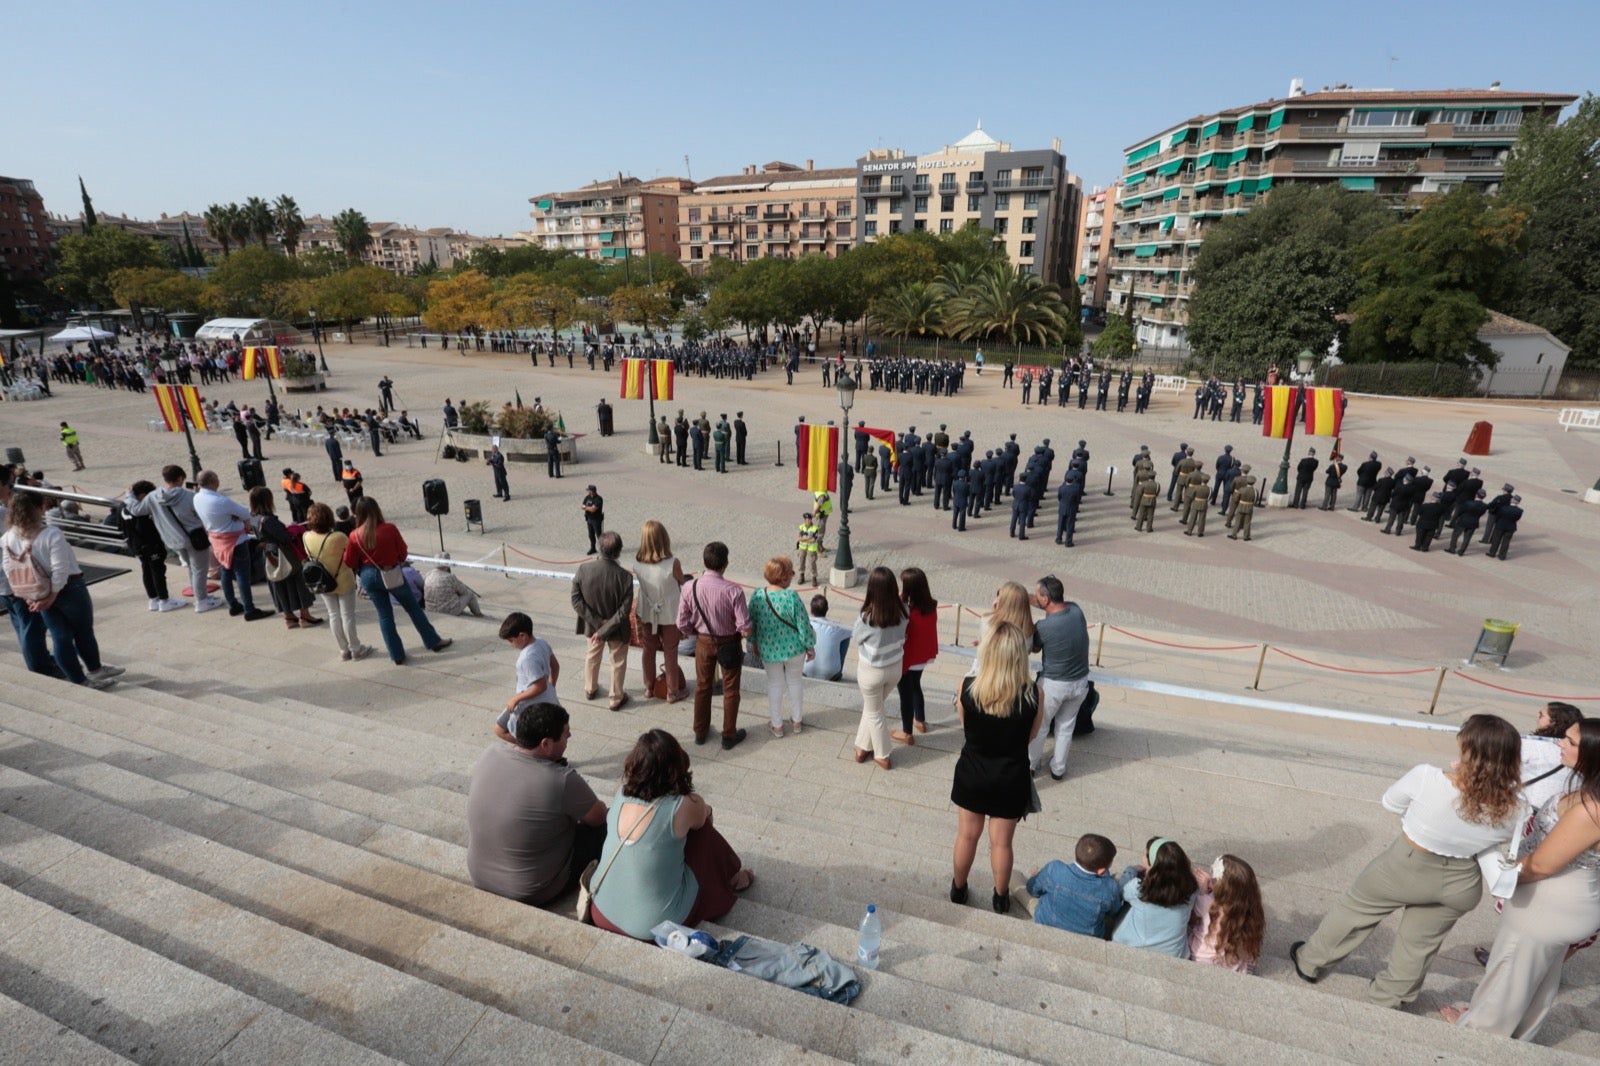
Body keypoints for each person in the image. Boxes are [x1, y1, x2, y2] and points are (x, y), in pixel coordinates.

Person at [1290, 714, 1523, 1007]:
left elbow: (1390, 803)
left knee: (1355, 911)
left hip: (1406, 864)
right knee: (1419, 945)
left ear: (1468, 750)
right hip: (1462, 880)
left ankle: (1310, 962)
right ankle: (1390, 995)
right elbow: (1493, 836)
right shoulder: (1516, 808)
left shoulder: (1427, 777)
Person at [1447, 718, 1600, 1040]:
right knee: (1537, 978)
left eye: (1571, 742)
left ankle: (1479, 1034)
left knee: (1510, 971)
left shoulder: (1591, 810)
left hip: (1548, 903)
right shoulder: (1588, 793)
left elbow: (1541, 865)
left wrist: (1499, 871)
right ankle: (1517, 1033)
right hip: (1564, 900)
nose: (1560, 744)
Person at [588, 729, 753, 939]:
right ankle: (734, 878)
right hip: (652, 926)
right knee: (703, 833)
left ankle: (733, 876)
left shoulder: (621, 791)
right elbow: (704, 819)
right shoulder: (682, 805)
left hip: (600, 910)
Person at [466, 702, 607, 906]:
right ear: (546, 744)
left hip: (479, 875)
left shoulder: (491, 752)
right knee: (607, 828)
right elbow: (599, 817)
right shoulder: (561, 779)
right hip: (533, 890)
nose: (570, 736)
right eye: (565, 734)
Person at [950, 622, 1043, 913]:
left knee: (967, 835)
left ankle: (958, 889)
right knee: (1002, 843)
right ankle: (1001, 898)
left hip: (972, 772)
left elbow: (966, 726)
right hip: (1011, 776)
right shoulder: (1034, 694)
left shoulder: (967, 686)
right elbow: (1032, 736)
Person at [2, 490, 124, 689]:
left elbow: (9, 569)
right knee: (82, 631)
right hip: (68, 589)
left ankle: (79, 680)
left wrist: (28, 596)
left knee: (60, 635)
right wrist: (53, 594)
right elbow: (60, 569)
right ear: (40, 508)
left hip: (38, 592)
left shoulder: (7, 537)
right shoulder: (51, 534)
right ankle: (94, 669)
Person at [342, 497, 452, 665]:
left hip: (369, 576)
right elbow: (403, 552)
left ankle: (397, 654)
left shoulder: (354, 535)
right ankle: (433, 641)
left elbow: (349, 561)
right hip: (391, 572)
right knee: (413, 608)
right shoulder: (389, 529)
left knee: (384, 615)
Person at [676, 541, 751, 750]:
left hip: (703, 642)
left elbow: (681, 622)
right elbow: (745, 627)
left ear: (704, 563)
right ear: (725, 564)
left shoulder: (690, 587)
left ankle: (700, 732)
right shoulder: (734, 591)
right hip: (729, 643)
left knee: (702, 686)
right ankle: (728, 735)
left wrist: (696, 632)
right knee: (731, 690)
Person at [126, 464, 222, 614]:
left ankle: (200, 596)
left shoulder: (152, 497)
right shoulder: (189, 496)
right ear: (180, 478)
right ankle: (201, 601)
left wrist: (129, 495)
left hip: (173, 540)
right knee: (199, 569)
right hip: (194, 538)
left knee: (192, 568)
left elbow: (136, 510)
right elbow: (203, 514)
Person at [1029, 576, 1093, 781]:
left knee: (1040, 726)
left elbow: (1034, 648)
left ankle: (1031, 765)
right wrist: (1028, 598)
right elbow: (1050, 606)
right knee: (1065, 727)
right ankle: (1058, 768)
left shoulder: (1043, 627)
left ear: (1045, 599)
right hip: (1080, 684)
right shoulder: (1076, 610)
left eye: (1037, 595)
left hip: (1053, 685)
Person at [192, 469, 274, 622]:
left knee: (226, 571)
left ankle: (233, 604)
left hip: (217, 540)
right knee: (242, 575)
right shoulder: (220, 500)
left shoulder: (197, 497)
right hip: (235, 541)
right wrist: (238, 517)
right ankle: (249, 609)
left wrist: (234, 516)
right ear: (213, 482)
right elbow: (246, 513)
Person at [747, 556, 815, 737]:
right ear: (784, 577)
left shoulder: (758, 596)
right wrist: (810, 646)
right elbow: (803, 624)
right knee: (795, 681)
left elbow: (752, 623)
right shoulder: (792, 596)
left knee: (775, 683)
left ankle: (777, 725)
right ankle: (797, 721)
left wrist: (754, 642)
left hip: (769, 648)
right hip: (794, 649)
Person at [851, 566, 908, 770]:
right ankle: (862, 748)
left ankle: (882, 755)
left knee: (875, 712)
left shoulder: (867, 617)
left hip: (871, 671)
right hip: (895, 668)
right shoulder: (904, 611)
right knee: (872, 707)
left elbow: (856, 638)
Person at [571, 530, 633, 711]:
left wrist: (598, 624)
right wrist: (606, 626)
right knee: (618, 662)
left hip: (592, 626)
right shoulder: (625, 577)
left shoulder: (584, 569)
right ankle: (615, 698)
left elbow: (576, 600)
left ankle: (590, 688)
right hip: (617, 628)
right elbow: (624, 611)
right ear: (619, 551)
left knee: (592, 655)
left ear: (599, 548)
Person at [301, 502, 369, 661]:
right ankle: (355, 648)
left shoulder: (306, 536)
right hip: (343, 579)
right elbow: (351, 557)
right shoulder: (338, 537)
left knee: (333, 615)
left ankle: (343, 649)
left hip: (322, 580)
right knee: (347, 616)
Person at [1114, 838, 1201, 958]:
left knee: (1126, 905)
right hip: (1175, 953)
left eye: (1145, 855)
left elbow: (1120, 889)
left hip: (1135, 945)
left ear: (1152, 865)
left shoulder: (1139, 889)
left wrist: (1131, 871)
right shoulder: (1191, 889)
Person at [249, 487, 321, 629]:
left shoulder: (254, 518)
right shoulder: (269, 520)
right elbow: (286, 538)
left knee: (279, 586)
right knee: (298, 583)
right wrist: (293, 529)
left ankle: (289, 617)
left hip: (269, 554)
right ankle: (305, 615)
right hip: (283, 554)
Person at [1026, 834, 1123, 938]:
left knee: (1016, 876)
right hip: (1089, 936)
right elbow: (1114, 911)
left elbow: (1032, 889)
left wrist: (1036, 877)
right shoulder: (1110, 887)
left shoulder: (1054, 868)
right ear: (1101, 870)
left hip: (1047, 923)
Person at [634, 520, 688, 703]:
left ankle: (649, 687)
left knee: (648, 649)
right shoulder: (673, 563)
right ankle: (672, 692)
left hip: (648, 610)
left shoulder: (637, 563)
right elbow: (682, 582)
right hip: (669, 611)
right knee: (670, 651)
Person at [1189, 854, 1266, 973]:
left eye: (1213, 879)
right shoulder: (1248, 909)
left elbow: (1192, 920)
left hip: (1200, 958)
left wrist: (1203, 892)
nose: (1210, 879)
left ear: (1221, 888)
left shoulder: (1206, 902)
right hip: (1232, 964)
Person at [122, 481, 187, 612]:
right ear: (142, 495)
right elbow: (147, 527)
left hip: (136, 545)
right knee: (158, 572)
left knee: (146, 571)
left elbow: (121, 526)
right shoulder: (140, 511)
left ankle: (153, 599)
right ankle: (164, 600)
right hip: (150, 545)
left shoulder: (122, 507)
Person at [495, 612, 559, 744]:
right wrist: (551, 687)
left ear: (522, 636)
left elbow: (540, 686)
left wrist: (516, 698)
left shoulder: (527, 658)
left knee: (500, 730)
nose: (511, 644)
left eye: (511, 640)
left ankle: (530, 748)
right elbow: (555, 666)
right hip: (546, 699)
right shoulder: (541, 642)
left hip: (528, 702)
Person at [895, 567, 938, 742]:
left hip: (908, 658)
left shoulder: (905, 610)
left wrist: (898, 600)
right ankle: (920, 720)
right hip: (923, 657)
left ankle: (907, 732)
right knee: (916, 686)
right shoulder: (931, 606)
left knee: (905, 695)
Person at [803, 594, 850, 682]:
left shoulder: (805, 624)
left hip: (805, 670)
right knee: (845, 638)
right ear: (827, 609)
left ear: (811, 610)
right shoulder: (836, 627)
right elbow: (851, 632)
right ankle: (837, 667)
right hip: (831, 675)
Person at [423, 552, 484, 617]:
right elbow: (464, 591)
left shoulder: (428, 574)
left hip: (430, 608)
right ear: (448, 564)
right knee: (469, 594)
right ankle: (478, 614)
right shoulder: (450, 577)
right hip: (448, 611)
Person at [581, 485, 604, 555]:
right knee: (591, 535)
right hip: (589, 519)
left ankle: (603, 549)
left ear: (592, 491)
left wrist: (586, 507)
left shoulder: (598, 499)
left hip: (596, 519)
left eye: (588, 490)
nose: (588, 491)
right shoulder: (587, 497)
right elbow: (582, 506)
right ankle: (593, 548)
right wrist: (589, 507)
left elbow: (593, 510)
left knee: (599, 535)